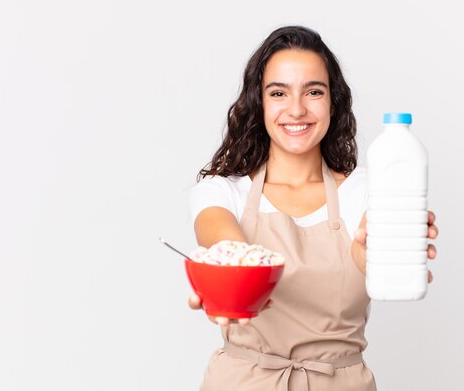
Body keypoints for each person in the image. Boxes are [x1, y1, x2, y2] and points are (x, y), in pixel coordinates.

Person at [188, 25, 439, 391]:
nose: (296, 109)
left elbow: (367, 246)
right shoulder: (223, 191)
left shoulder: (365, 191)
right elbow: (221, 237)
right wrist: (233, 276)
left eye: (314, 91)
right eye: (279, 92)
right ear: (259, 102)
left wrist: (390, 254)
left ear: (332, 102)